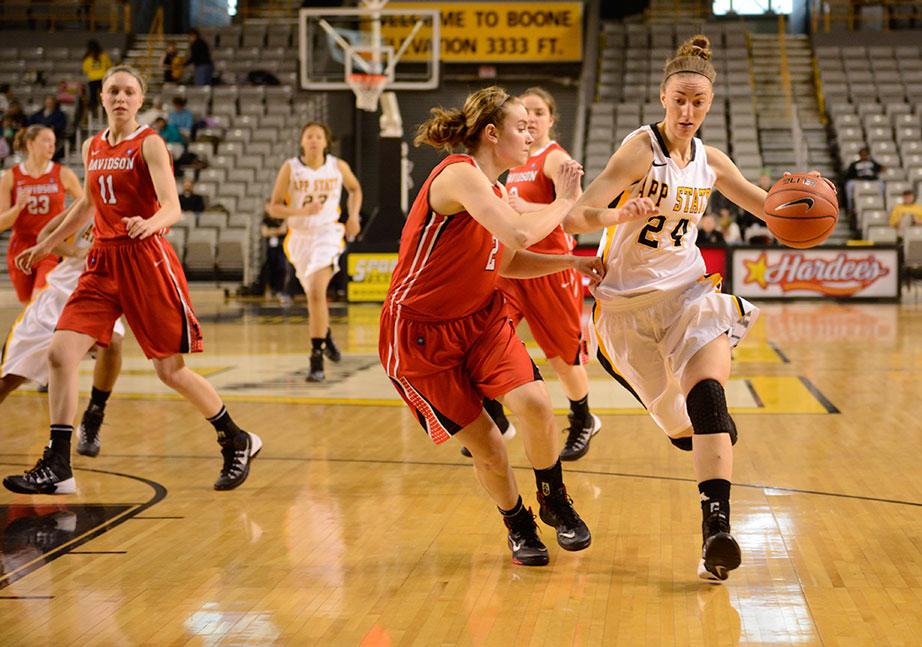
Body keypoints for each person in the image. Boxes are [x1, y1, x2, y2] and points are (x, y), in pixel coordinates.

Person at [565, 35, 825, 581]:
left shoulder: (711, 160)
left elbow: (766, 207)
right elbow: (576, 216)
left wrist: (801, 212)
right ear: (663, 97)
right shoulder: (640, 151)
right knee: (689, 431)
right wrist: (615, 215)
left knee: (709, 394)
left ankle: (716, 532)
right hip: (625, 310)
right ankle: (703, 436)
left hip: (688, 292)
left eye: (699, 102)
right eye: (679, 99)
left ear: (710, 104)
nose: (688, 111)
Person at [379, 85, 653, 566]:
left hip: (480, 320)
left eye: (534, 127)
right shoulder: (459, 176)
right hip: (419, 334)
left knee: (535, 403)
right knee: (487, 446)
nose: (530, 137)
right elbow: (521, 231)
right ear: (491, 134)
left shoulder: (496, 189)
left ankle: (553, 498)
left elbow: (508, 260)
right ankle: (518, 522)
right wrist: (565, 197)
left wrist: (572, 260)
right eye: (521, 128)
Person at [2, 65, 261, 496]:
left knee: (170, 371)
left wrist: (152, 223)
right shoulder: (92, 147)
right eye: (113, 91)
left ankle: (235, 438)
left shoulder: (150, 144)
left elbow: (173, 206)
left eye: (129, 92)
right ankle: (59, 463)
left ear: (140, 100)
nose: (121, 98)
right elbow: (85, 204)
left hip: (145, 259)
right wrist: (46, 242)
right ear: (102, 98)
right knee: (61, 354)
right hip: (102, 262)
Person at [482, 86, 602, 462]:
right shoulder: (514, 159)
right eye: (526, 112)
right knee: (487, 336)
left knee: (563, 359)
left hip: (551, 267)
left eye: (538, 112)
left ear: (551, 119)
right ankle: (496, 417)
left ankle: (583, 418)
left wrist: (529, 204)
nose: (531, 118)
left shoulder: (554, 158)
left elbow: (576, 213)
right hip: (514, 266)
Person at [1, 211, 125, 458]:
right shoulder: (88, 204)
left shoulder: (133, 210)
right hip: (57, 295)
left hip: (97, 295)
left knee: (113, 341)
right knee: (8, 380)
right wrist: (76, 253)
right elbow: (45, 234)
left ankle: (94, 413)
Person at [265, 122, 362, 382]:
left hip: (327, 233)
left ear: (326, 142)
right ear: (301, 141)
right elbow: (273, 208)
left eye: (319, 136)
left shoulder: (337, 166)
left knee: (318, 292)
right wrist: (299, 212)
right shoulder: (291, 168)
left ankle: (316, 358)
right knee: (313, 298)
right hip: (299, 238)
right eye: (309, 136)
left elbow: (355, 189)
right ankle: (325, 335)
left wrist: (353, 216)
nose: (314, 140)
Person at [0, 126, 82, 304]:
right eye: (46, 141)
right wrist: (18, 207)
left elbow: (87, 205)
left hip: (49, 245)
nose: (51, 146)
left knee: (40, 299)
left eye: (53, 142)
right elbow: (1, 223)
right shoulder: (10, 176)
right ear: (30, 144)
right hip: (20, 247)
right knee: (28, 304)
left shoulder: (63, 173)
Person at [844, 147, 884, 214]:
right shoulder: (854, 164)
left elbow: (882, 168)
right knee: (849, 185)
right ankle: (850, 206)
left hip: (872, 181)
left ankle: (881, 203)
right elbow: (849, 175)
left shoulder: (872, 162)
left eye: (866, 154)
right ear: (859, 155)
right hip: (858, 181)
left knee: (881, 184)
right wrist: (855, 178)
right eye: (862, 154)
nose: (864, 156)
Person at [81, 40, 112, 121]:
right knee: (104, 96)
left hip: (92, 79)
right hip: (103, 78)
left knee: (93, 97)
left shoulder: (87, 58)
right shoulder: (104, 56)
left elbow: (85, 70)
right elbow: (109, 66)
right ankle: (106, 112)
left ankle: (93, 113)